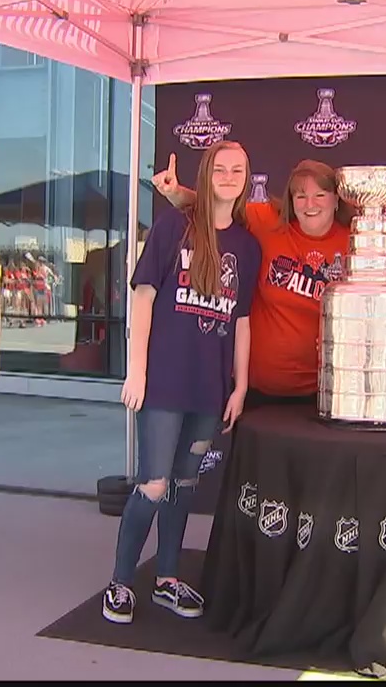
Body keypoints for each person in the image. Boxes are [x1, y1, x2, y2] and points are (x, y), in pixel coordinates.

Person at [104, 140, 261, 625]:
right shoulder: (174, 226)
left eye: (238, 170)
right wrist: (137, 369)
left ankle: (167, 579)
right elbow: (144, 295)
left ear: (246, 179)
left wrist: (240, 385)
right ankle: (121, 583)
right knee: (153, 484)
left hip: (209, 388)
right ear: (206, 173)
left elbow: (242, 320)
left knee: (184, 484)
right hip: (164, 382)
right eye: (221, 168)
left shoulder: (247, 245)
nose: (229, 177)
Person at [153, 155, 352, 407]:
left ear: (336, 200)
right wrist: (175, 192)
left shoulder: (354, 244)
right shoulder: (267, 221)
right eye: (300, 196)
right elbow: (215, 206)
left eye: (320, 195)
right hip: (257, 392)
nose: (309, 204)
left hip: (322, 394)